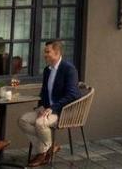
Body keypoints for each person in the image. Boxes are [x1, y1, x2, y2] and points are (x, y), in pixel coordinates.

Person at [18, 39, 80, 167]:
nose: (44, 55)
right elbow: (44, 92)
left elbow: (72, 94)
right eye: (44, 52)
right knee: (23, 120)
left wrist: (52, 108)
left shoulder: (69, 69)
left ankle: (42, 154)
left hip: (62, 111)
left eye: (47, 52)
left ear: (57, 52)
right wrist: (41, 106)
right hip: (47, 109)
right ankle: (49, 147)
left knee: (40, 123)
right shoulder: (48, 70)